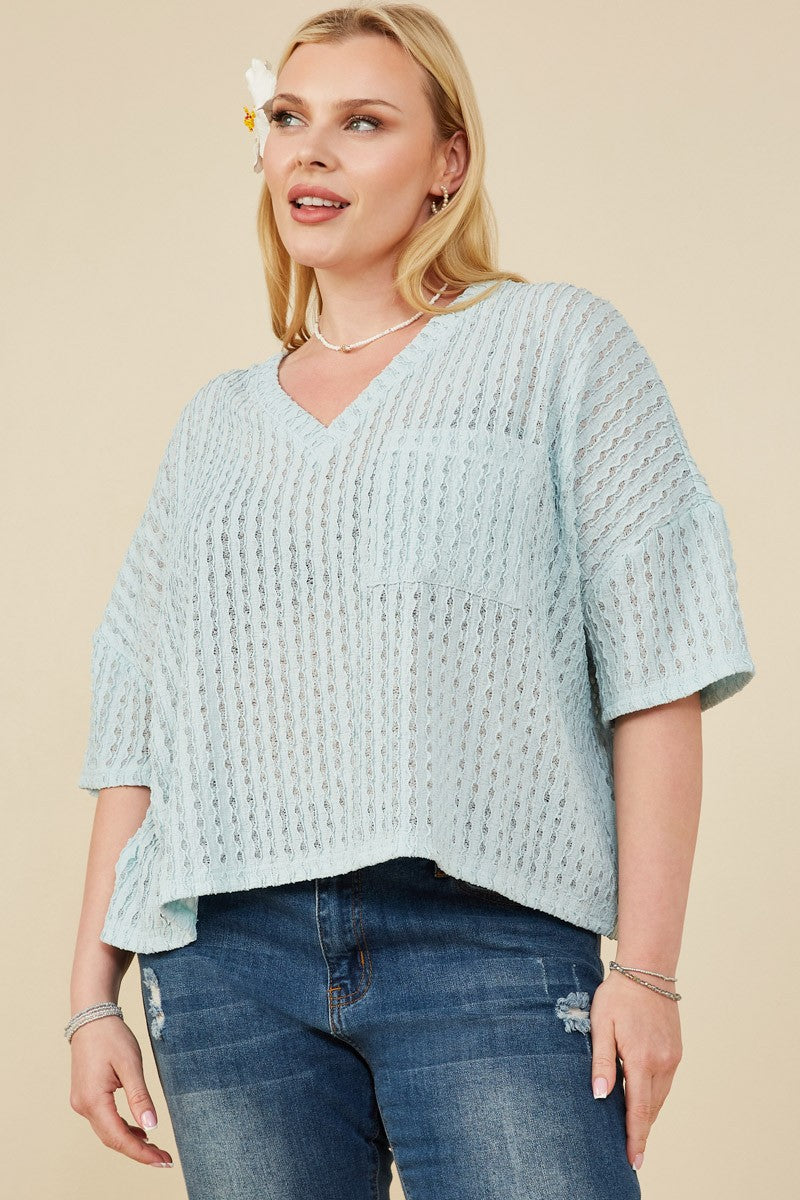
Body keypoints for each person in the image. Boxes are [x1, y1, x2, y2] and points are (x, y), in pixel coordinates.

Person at [66, 5, 756, 1198]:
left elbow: (656, 667)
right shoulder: (214, 425)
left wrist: (645, 973)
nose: (311, 149)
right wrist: (90, 999)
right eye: (289, 117)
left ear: (447, 163)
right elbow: (138, 719)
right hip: (226, 963)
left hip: (483, 937)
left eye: (362, 122)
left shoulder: (553, 346)